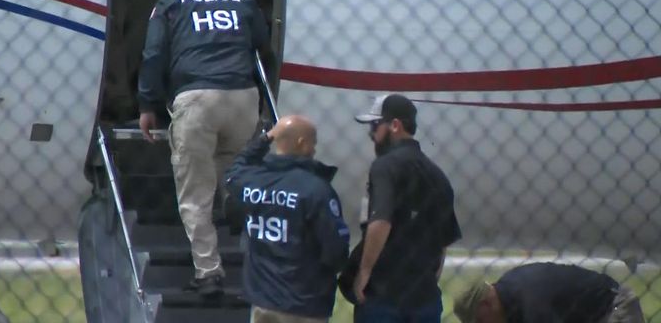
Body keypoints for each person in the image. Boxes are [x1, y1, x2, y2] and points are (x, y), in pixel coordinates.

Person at [137, 0, 276, 297]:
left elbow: (153, 55)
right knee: (239, 176)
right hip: (242, 97)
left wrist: (147, 103)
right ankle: (245, 230)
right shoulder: (242, 0)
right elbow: (264, 49)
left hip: (196, 98)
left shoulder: (170, 4)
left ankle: (209, 272)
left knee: (195, 192)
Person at [343, 94, 462, 323]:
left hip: (383, 297)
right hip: (424, 298)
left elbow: (381, 220)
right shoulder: (437, 175)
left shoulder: (385, 167)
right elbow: (443, 240)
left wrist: (364, 271)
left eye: (375, 125)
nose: (371, 134)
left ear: (395, 125)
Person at [225, 115, 350, 323]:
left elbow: (234, 171)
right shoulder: (315, 190)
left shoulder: (251, 183)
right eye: (313, 143)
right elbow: (335, 251)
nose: (315, 150)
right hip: (305, 303)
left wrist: (266, 139)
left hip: (263, 300)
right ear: (302, 143)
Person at [453, 262, 646, 323]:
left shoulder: (531, 304)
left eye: (479, 322)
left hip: (617, 309)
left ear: (486, 304)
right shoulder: (509, 291)